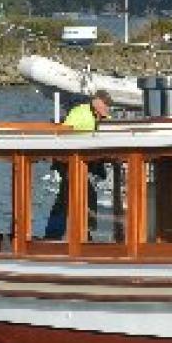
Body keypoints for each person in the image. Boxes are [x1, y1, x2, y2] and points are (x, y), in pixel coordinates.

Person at [44, 91, 114, 238]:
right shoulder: (82, 115)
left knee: (70, 198)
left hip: (76, 161)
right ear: (98, 104)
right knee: (72, 198)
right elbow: (65, 134)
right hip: (68, 161)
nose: (107, 110)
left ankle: (79, 234)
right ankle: (77, 235)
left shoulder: (95, 114)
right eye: (106, 106)